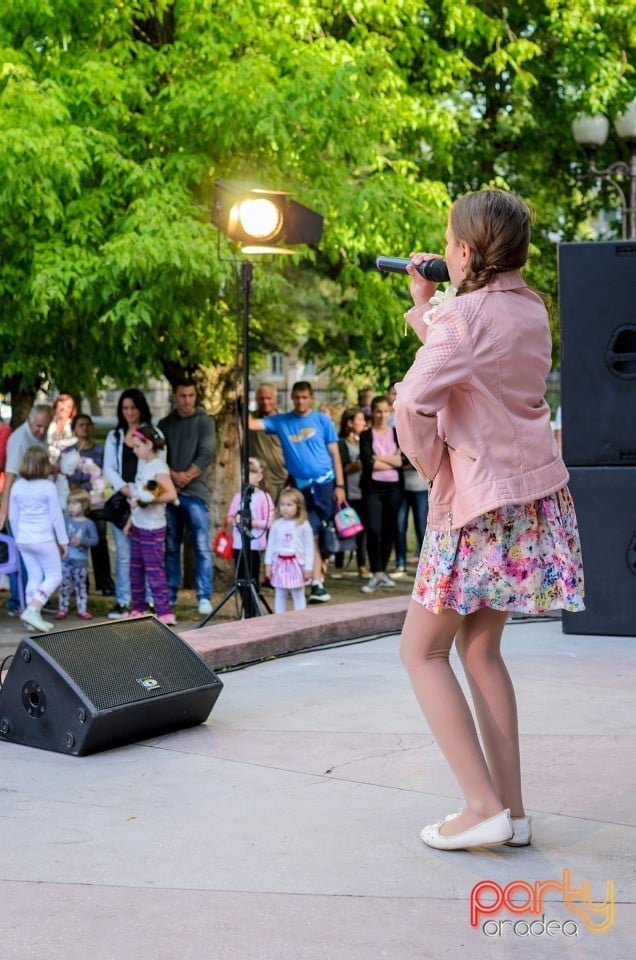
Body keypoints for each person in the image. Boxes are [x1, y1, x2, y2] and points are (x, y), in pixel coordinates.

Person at [394, 188, 585, 851]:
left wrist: (432, 467)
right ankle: (514, 813)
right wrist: (428, 309)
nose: (443, 250)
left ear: (467, 252)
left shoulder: (462, 320)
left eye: (449, 241)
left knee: (420, 652)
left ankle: (479, 807)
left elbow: (414, 402)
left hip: (473, 507)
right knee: (481, 650)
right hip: (528, 504)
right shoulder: (531, 310)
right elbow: (478, 356)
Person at [249, 381, 346, 604]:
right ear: (291, 398)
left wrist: (340, 486)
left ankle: (317, 576)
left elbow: (335, 454)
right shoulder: (281, 421)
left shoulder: (322, 420)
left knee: (320, 530)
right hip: (299, 485)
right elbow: (252, 424)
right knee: (308, 528)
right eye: (296, 397)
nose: (300, 401)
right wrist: (242, 399)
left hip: (325, 483)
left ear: (311, 397)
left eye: (304, 397)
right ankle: (316, 582)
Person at [104, 389, 165, 619]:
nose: (129, 412)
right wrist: (126, 489)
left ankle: (149, 602)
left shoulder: (154, 433)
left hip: (147, 500)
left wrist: (141, 495)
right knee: (124, 554)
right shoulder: (115, 436)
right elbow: (109, 467)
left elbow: (159, 467)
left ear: (141, 409)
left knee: (149, 554)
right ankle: (123, 601)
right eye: (125, 408)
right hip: (123, 497)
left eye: (133, 408)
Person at [158, 379, 216, 616]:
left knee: (202, 546)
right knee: (171, 546)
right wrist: (173, 476)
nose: (187, 400)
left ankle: (204, 596)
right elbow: (159, 454)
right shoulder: (165, 424)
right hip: (170, 494)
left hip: (195, 492)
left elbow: (206, 453)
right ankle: (170, 594)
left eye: (191, 395)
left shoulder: (205, 422)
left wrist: (186, 476)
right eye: (182, 396)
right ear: (175, 396)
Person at [8, 445, 68, 633]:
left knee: (34, 575)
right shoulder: (48, 487)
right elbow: (56, 517)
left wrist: (18, 537)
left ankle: (30, 618)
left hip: (24, 539)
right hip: (44, 539)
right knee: (54, 575)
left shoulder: (17, 486)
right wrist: (63, 541)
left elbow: (13, 516)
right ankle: (34, 610)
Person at [0, 404, 53, 615]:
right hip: (18, 505)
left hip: (35, 504)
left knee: (33, 555)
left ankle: (35, 600)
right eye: (38, 426)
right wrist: (4, 510)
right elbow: (11, 474)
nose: (41, 431)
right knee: (21, 555)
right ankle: (18, 601)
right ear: (30, 421)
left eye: (45, 427)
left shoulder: (39, 436)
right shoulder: (19, 439)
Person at [124, 424, 178, 625]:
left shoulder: (159, 467)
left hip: (153, 527)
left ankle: (164, 611)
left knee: (154, 569)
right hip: (139, 525)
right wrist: (132, 519)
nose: (134, 450)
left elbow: (170, 494)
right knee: (135, 569)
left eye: (137, 446)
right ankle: (138, 607)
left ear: (148, 444)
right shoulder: (144, 466)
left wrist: (147, 500)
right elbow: (142, 493)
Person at [62, 413, 114, 595]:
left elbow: (104, 476)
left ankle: (105, 583)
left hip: (96, 503)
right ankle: (80, 584)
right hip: (76, 505)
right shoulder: (67, 452)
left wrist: (86, 487)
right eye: (81, 425)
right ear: (74, 429)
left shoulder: (100, 451)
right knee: (77, 544)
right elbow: (64, 476)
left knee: (99, 543)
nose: (85, 428)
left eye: (88, 424)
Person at [359, 395, 403, 594]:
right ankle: (375, 572)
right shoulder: (366, 435)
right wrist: (390, 460)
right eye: (378, 411)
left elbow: (402, 461)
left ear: (390, 412)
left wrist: (381, 458)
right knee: (374, 530)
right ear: (372, 412)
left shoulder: (397, 433)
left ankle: (383, 571)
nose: (381, 415)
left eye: (385, 411)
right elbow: (369, 462)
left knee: (389, 530)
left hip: (393, 488)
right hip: (372, 489)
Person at [225, 457, 275, 617]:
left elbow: (269, 521)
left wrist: (252, 522)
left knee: (252, 578)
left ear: (259, 476)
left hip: (254, 545)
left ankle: (253, 611)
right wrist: (235, 520)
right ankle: (247, 610)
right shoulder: (238, 496)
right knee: (240, 579)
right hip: (239, 544)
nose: (246, 475)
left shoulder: (264, 497)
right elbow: (230, 517)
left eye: (252, 472)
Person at [264, 487, 314, 613]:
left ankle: (300, 619)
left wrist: (309, 567)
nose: (285, 508)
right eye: (282, 504)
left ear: (298, 506)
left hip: (297, 565)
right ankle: (279, 619)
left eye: (289, 505)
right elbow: (270, 545)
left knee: (298, 593)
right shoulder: (276, 524)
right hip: (280, 564)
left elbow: (309, 547)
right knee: (280, 593)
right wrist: (268, 564)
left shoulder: (304, 525)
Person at [333, 407, 369, 579]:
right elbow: (346, 467)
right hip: (348, 493)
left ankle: (362, 564)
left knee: (362, 531)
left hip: (364, 493)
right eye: (360, 420)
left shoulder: (364, 440)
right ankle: (339, 565)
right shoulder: (341, 443)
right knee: (344, 527)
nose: (363, 423)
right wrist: (366, 460)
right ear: (349, 423)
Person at [55, 489, 98, 620]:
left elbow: (95, 540)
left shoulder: (89, 524)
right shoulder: (66, 521)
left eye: (74, 503)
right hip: (66, 560)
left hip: (81, 562)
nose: (71, 507)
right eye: (69, 504)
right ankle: (62, 608)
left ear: (84, 505)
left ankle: (82, 609)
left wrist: (81, 541)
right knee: (64, 586)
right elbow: (59, 535)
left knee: (80, 586)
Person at [248, 383, 288, 504]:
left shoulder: (285, 421)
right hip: (257, 480)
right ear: (256, 399)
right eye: (261, 398)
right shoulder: (250, 419)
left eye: (269, 398)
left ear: (275, 399)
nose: (265, 402)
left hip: (281, 480)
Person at [47, 393, 78, 463]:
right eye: (62, 404)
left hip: (69, 461)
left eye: (68, 406)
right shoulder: (47, 423)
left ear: (71, 410)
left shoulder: (74, 425)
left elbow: (76, 443)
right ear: (55, 406)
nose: (64, 408)